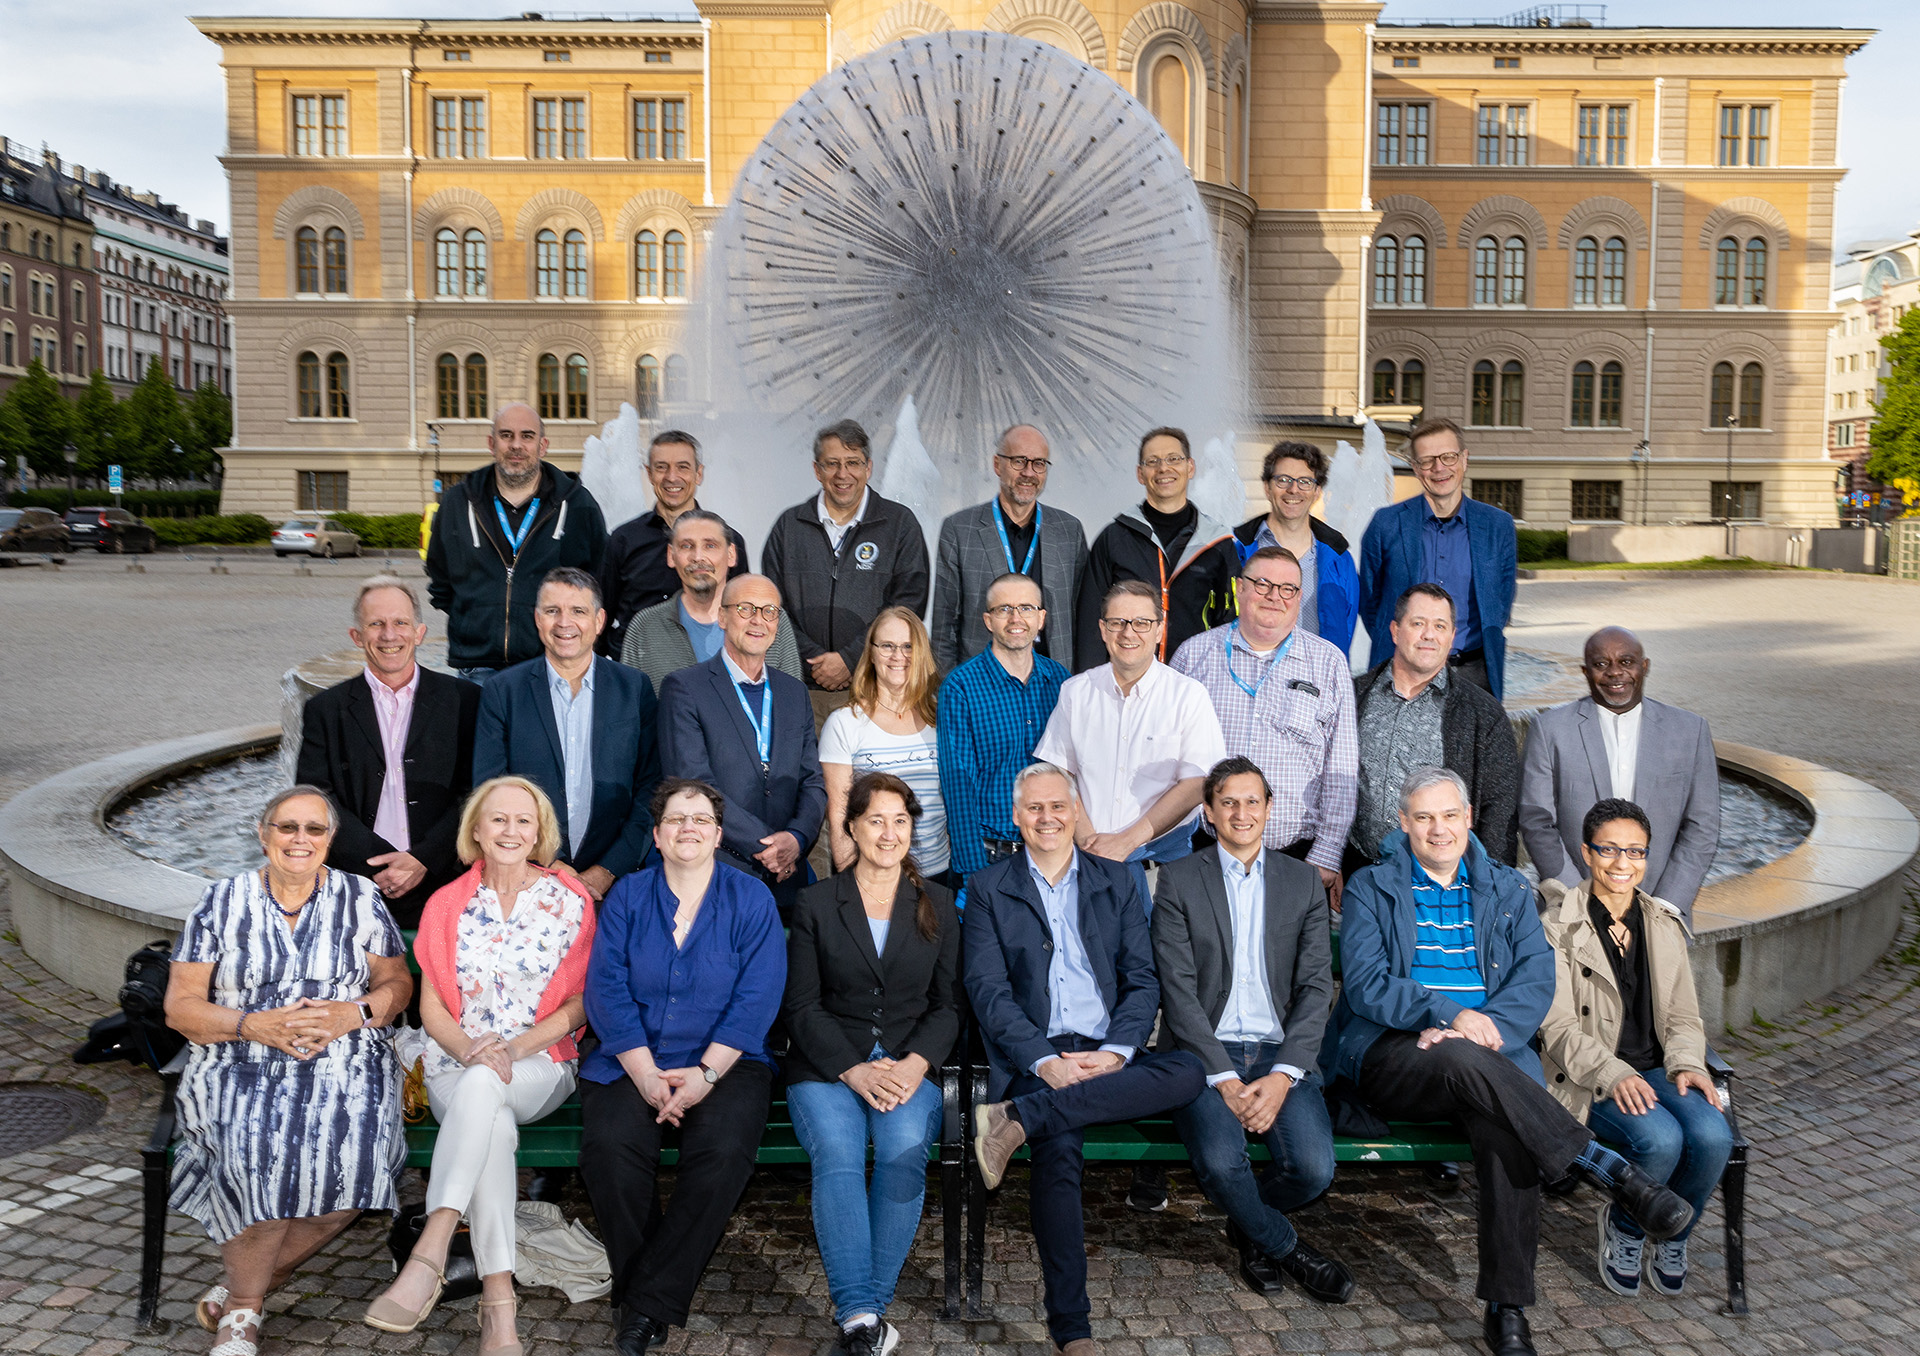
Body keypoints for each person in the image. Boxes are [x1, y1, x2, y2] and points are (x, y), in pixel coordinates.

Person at [1323, 767, 1693, 1356]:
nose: (1437, 828)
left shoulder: (1510, 889)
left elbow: (1534, 980)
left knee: (1507, 1125)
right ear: (1403, 824)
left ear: (1469, 818)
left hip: (1491, 1050)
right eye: (1422, 817)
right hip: (1393, 1052)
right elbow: (1366, 984)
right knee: (1475, 1068)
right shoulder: (1372, 886)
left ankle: (1508, 1306)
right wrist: (1444, 1015)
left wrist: (1486, 1027)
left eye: (1448, 815)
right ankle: (1603, 1166)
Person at [965, 763, 1207, 1356]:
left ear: (1076, 812)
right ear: (1017, 817)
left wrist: (1119, 1050)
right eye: (1035, 809)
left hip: (1105, 1053)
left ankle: (1019, 1118)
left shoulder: (1116, 880)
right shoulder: (987, 887)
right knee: (1060, 1153)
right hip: (1036, 1058)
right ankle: (1072, 1329)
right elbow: (988, 993)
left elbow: (1142, 978)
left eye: (1058, 807)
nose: (1047, 818)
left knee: (1189, 1070)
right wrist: (1045, 1063)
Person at [162, 786, 412, 1356]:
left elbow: (397, 984)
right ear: (263, 833)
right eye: (287, 827)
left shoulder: (360, 896)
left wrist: (355, 1012)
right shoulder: (220, 901)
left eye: (314, 830)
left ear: (331, 839)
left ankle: (248, 1283)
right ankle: (242, 1316)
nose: (300, 840)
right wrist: (254, 1024)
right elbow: (180, 1006)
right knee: (256, 1154)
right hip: (238, 1055)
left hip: (345, 1055)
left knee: (355, 1177)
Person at [365, 776, 596, 1353]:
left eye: (524, 820)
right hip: (454, 1064)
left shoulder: (569, 901)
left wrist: (512, 1049)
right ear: (475, 830)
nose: (511, 830)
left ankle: (432, 1247)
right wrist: (472, 1049)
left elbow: (579, 1005)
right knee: (486, 1112)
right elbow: (433, 1005)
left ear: (540, 831)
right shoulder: (448, 904)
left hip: (540, 1065)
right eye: (498, 819)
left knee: (486, 1087)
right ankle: (499, 1310)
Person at [580, 778, 787, 1355]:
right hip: (631, 1058)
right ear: (656, 835)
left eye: (700, 819)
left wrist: (708, 1076)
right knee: (610, 1152)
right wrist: (645, 1074)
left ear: (719, 835)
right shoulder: (627, 895)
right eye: (675, 819)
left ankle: (642, 1304)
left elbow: (758, 995)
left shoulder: (751, 899)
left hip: (728, 1061)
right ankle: (653, 1296)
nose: (687, 827)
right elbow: (608, 989)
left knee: (721, 1153)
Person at [1150, 757, 1353, 1303]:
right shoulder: (1179, 879)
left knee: (1312, 1170)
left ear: (1269, 807)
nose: (1242, 813)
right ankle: (1286, 1249)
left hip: (1278, 1051)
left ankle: (1247, 1223)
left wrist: (1284, 1075)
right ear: (1209, 813)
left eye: (1252, 801)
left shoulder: (1301, 881)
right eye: (1229, 803)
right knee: (1219, 1160)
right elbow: (1178, 990)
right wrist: (1224, 1078)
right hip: (1202, 1054)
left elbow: (1315, 987)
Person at [784, 773, 962, 1356]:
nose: (889, 833)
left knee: (903, 1153)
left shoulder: (936, 902)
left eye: (901, 821)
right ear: (852, 827)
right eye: (877, 820)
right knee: (836, 1155)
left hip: (910, 1066)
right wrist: (853, 1069)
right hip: (829, 1067)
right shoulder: (816, 903)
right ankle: (864, 1316)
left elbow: (949, 1006)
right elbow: (803, 1006)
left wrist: (914, 1065)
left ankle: (862, 1318)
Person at [1538, 798, 1732, 1299]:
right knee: (1659, 1140)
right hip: (1590, 1078)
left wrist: (1689, 1063)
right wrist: (1614, 1073)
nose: (1622, 863)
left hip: (1660, 1071)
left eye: (1635, 851)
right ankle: (1626, 1227)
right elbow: (1555, 1028)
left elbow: (1685, 1018)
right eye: (1609, 850)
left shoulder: (1664, 923)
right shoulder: (1557, 926)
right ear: (1586, 853)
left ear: (1648, 856)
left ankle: (1674, 1234)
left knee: (1713, 1136)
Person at [1170, 547, 1356, 909]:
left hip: (1296, 858)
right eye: (1262, 584)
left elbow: (1342, 767)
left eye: (1287, 588)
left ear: (1300, 598)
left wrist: (1328, 853)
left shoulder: (1328, 663)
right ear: (1239, 588)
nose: (1274, 596)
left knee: (1287, 965)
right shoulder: (1194, 656)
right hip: (1205, 852)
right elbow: (1167, 756)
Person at [295, 575, 482, 927]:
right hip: (355, 880)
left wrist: (423, 858)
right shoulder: (325, 708)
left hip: (444, 876)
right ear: (357, 636)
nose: (389, 635)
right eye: (376, 624)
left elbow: (476, 793)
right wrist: (378, 859)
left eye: (400, 623)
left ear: (419, 632)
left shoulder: (464, 701)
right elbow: (315, 798)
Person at [473, 568, 663, 901]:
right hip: (526, 880)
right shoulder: (502, 691)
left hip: (617, 883)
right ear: (537, 619)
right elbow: (489, 790)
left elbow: (651, 786)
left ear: (599, 620)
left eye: (578, 611)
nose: (565, 623)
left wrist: (607, 871)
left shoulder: (634, 689)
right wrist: (550, 864)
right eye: (552, 611)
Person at [1037, 580, 1227, 904]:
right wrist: (1090, 844)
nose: (1128, 633)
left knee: (1160, 956)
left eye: (1141, 623)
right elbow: (1058, 773)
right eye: (1117, 622)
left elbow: (1197, 783)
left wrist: (1124, 843)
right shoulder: (1076, 692)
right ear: (1102, 628)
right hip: (1086, 870)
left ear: (1159, 630)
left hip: (1161, 878)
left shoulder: (1188, 696)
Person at [1519, 626, 1721, 926]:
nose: (1615, 673)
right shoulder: (1550, 730)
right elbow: (1537, 821)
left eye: (1626, 662)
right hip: (1574, 913)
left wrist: (1665, 904)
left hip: (1660, 912)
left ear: (1645, 666)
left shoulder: (1689, 731)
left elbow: (1702, 826)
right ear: (1586, 672)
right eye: (1602, 664)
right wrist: (1577, 898)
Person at [656, 574, 827, 915]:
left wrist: (796, 838)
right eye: (746, 608)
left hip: (790, 881)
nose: (758, 620)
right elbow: (695, 785)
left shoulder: (794, 693)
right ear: (722, 617)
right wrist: (767, 847)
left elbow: (813, 781)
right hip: (718, 875)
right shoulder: (685, 688)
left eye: (769, 611)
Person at [426, 401, 609, 684]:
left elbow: (599, 580)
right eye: (506, 435)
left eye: (527, 436)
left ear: (542, 445)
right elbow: (440, 579)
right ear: (491, 443)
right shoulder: (457, 502)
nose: (516, 445)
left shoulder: (577, 505)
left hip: (550, 666)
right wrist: (476, 617)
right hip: (477, 669)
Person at [761, 419, 931, 723]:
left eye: (853, 463)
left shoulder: (900, 525)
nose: (843, 474)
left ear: (868, 468)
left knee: (873, 773)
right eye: (832, 464)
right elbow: (772, 608)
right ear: (817, 470)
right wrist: (814, 662)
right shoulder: (789, 527)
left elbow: (908, 607)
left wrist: (851, 659)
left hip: (874, 689)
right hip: (801, 692)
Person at [1350, 583, 1519, 874]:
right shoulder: (1353, 696)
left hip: (1444, 881)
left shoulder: (1483, 713)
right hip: (1357, 872)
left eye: (1440, 626)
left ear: (1452, 637)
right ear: (1395, 630)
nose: (1429, 634)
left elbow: (1499, 810)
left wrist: (1488, 883)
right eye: (1418, 623)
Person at [1358, 416, 1517, 698]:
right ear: (1416, 469)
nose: (1439, 468)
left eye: (1448, 457)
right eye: (1427, 460)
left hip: (1475, 675)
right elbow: (1371, 601)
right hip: (1402, 673)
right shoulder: (1385, 524)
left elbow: (1501, 601)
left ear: (1464, 459)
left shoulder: (1498, 526)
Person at [938, 573, 1071, 877]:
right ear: (988, 620)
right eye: (1003, 609)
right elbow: (958, 786)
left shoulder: (1061, 681)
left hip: (1054, 852)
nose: (1016, 618)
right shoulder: (961, 687)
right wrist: (972, 874)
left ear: (1041, 618)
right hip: (993, 856)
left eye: (1026, 608)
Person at [1075, 426, 1239, 671]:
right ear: (1140, 474)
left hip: (1193, 684)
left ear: (1190, 467)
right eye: (1153, 461)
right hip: (1127, 683)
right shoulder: (1114, 539)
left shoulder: (1217, 544)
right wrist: (1091, 684)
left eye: (1174, 459)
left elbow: (1230, 624)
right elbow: (1091, 622)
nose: (1164, 468)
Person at [931, 424, 1088, 671]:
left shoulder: (1069, 531)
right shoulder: (960, 530)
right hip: (983, 687)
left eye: (1039, 463)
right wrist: (949, 692)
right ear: (997, 465)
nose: (1029, 472)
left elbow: (1082, 618)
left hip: (1054, 686)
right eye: (1019, 461)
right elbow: (944, 626)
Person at [821, 607, 950, 884]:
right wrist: (853, 887)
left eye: (907, 646)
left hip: (939, 876)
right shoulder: (844, 724)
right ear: (871, 652)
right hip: (872, 877)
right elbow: (840, 817)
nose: (898, 656)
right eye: (887, 646)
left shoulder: (944, 720)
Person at [596, 430, 749, 657]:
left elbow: (742, 610)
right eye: (661, 467)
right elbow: (600, 615)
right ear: (649, 474)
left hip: (706, 666)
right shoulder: (623, 539)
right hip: (637, 668)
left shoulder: (728, 540)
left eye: (683, 467)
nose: (671, 477)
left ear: (699, 474)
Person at [620, 509, 804, 691]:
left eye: (710, 545)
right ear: (671, 555)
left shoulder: (769, 619)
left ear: (731, 554)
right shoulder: (645, 627)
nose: (698, 557)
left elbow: (792, 700)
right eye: (686, 546)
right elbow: (630, 706)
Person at [1232, 441, 1360, 654]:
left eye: (1305, 482)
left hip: (1315, 681)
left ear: (1317, 491)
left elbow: (1347, 628)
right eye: (1283, 480)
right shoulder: (1238, 553)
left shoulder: (1339, 561)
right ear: (1267, 487)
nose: (1293, 490)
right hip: (1249, 676)